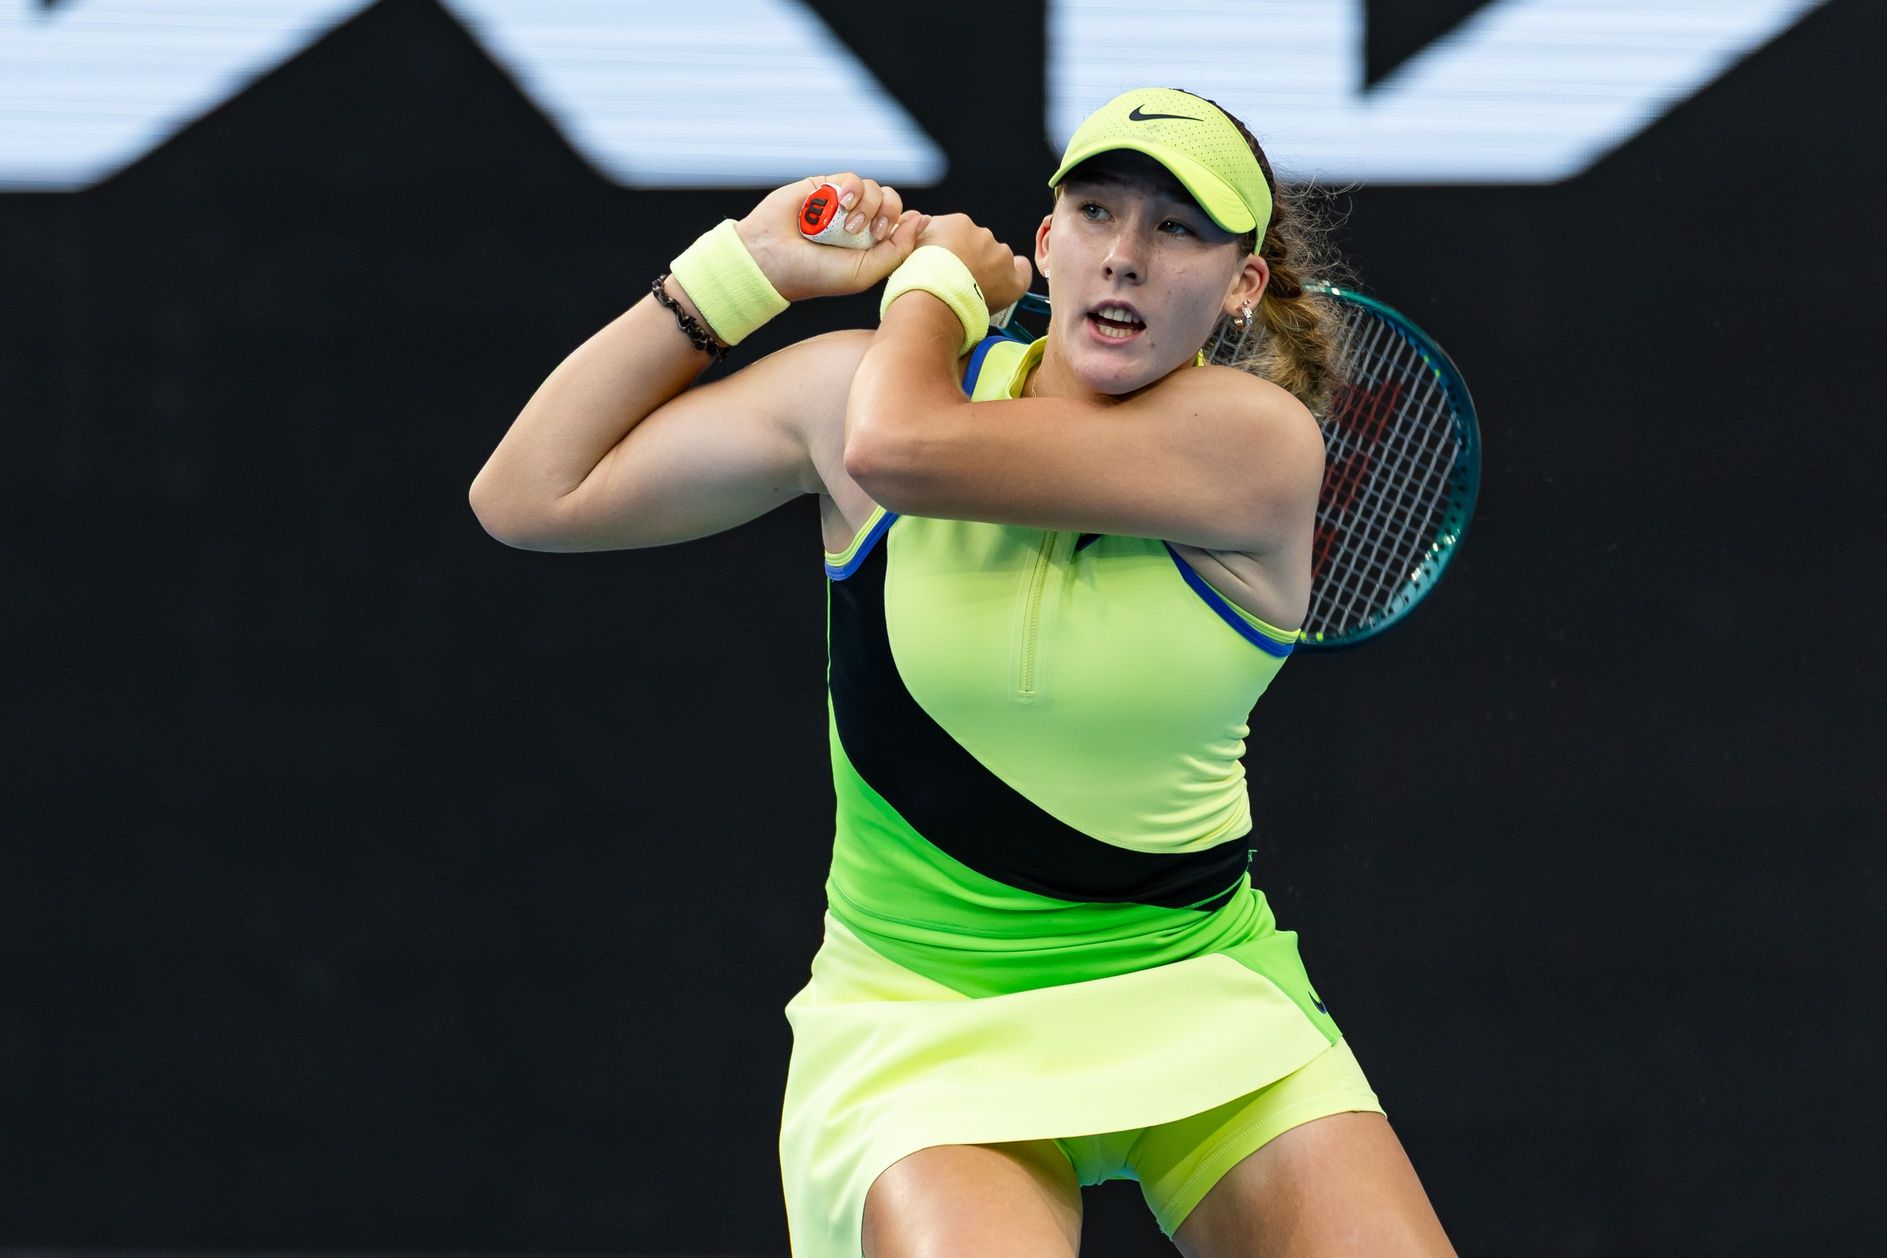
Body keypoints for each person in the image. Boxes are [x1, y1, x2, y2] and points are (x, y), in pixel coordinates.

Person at [470, 87, 1455, 1257]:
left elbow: (903, 447)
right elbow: (531, 494)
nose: (1126, 258)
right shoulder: (847, 395)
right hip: (920, 1021)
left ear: (1242, 286)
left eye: (1180, 229)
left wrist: (930, 287)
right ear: (1047, 243)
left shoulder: (1255, 442)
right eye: (1096, 212)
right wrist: (752, 268)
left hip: (1197, 990)